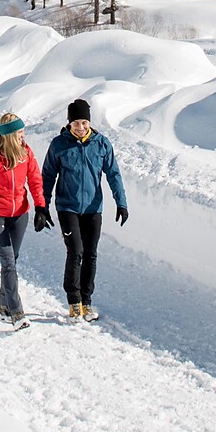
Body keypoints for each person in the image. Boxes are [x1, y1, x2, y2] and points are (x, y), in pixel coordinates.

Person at [39, 98, 127, 322]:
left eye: (84, 122)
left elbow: (113, 174)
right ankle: (73, 301)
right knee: (76, 251)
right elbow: (48, 175)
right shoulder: (59, 144)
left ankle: (86, 301)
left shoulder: (101, 144)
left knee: (90, 254)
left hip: (93, 208)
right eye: (76, 123)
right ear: (69, 123)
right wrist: (43, 206)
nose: (80, 127)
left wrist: (121, 202)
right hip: (67, 206)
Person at [0, 111, 49, 328]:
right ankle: (17, 313)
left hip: (20, 215)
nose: (23, 136)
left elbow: (35, 180)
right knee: (8, 264)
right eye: (19, 133)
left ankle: (3, 307)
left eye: (23, 132)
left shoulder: (26, 153)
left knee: (11, 262)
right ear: (8, 135)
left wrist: (40, 207)